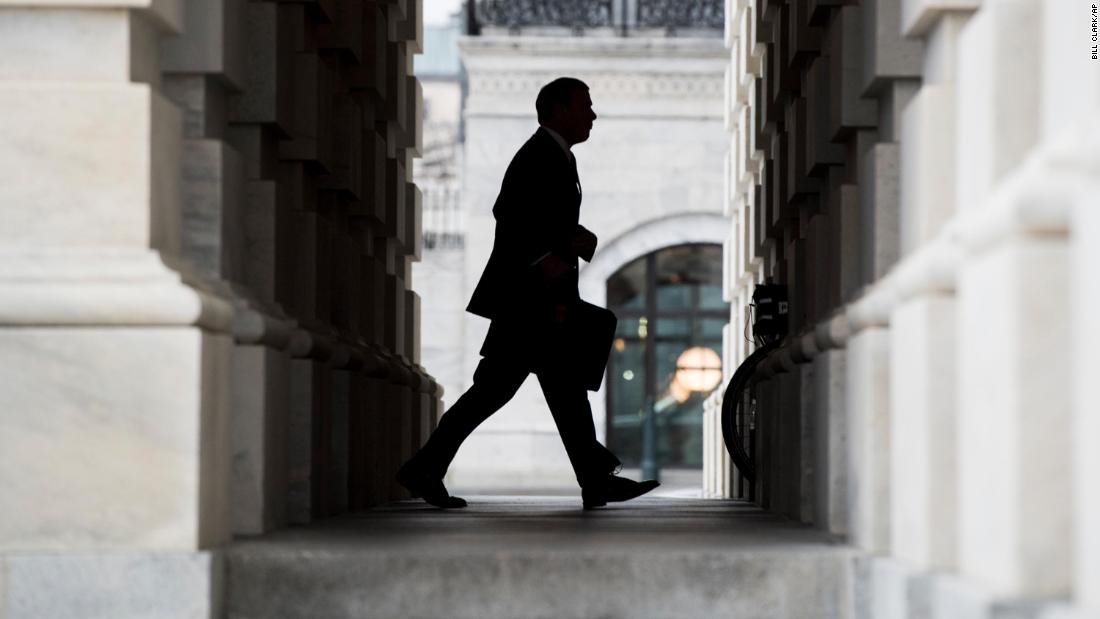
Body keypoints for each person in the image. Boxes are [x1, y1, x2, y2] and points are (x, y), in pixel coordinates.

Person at [397, 77, 659, 509]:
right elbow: (511, 213)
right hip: (531, 304)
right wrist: (548, 258)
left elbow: (536, 218)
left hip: (538, 302)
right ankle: (425, 468)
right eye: (585, 105)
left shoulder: (557, 156)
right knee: (502, 390)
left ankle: (594, 480)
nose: (592, 114)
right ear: (559, 110)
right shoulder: (540, 154)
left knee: (555, 388)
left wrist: (571, 241)